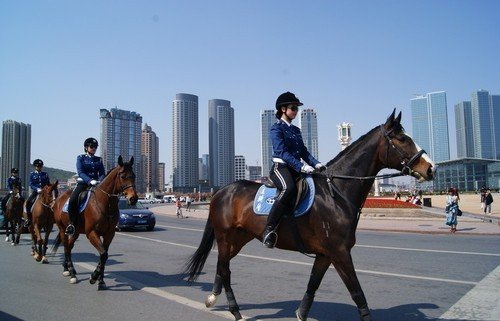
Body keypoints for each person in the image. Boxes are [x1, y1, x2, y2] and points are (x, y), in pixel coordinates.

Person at [262, 91, 326, 248]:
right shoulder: (276, 128)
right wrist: (301, 166)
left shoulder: (296, 130)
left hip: (296, 168)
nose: (296, 112)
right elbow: (281, 152)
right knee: (288, 188)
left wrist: (317, 164)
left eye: (297, 109)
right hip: (281, 167)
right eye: (293, 108)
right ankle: (269, 229)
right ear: (283, 109)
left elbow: (303, 151)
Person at [65, 137, 105, 236]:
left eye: (95, 147)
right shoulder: (81, 158)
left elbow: (102, 173)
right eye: (92, 146)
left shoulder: (98, 160)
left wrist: (100, 181)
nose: (94, 148)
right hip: (83, 184)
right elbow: (81, 172)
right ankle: (71, 224)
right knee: (73, 200)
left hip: (96, 184)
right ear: (86, 147)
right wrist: (90, 180)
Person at [24, 159, 50, 226]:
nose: (39, 167)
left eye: (40, 166)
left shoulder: (45, 174)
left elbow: (48, 183)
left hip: (44, 193)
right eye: (38, 166)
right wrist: (37, 189)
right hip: (36, 192)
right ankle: (28, 219)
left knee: (51, 203)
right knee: (28, 202)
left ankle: (52, 218)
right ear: (35, 167)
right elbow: (31, 184)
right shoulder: (32, 175)